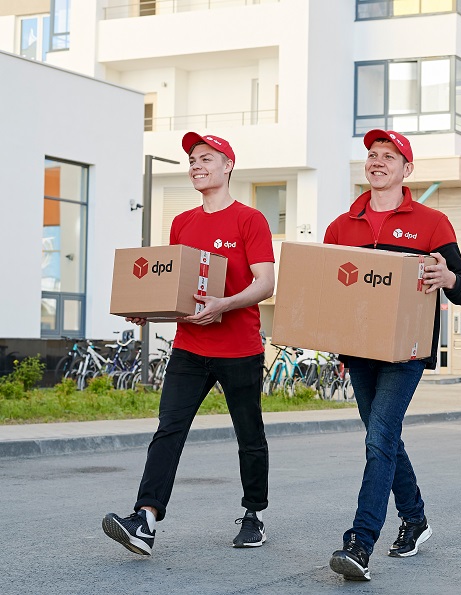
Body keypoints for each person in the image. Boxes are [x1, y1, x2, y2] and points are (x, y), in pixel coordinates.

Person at [102, 132, 275, 556]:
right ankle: (145, 520)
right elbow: (175, 286)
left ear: (227, 165)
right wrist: (148, 308)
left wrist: (225, 305)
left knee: (249, 435)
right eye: (193, 160)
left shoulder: (250, 219)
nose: (197, 165)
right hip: (190, 347)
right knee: (169, 429)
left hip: (239, 348)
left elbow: (266, 283)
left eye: (206, 158)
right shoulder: (182, 223)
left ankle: (253, 514)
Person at [324, 130, 461, 581]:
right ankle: (415, 517)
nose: (377, 161)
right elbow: (328, 290)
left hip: (407, 352)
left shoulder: (432, 223)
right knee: (384, 438)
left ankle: (360, 542)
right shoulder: (341, 226)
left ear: (406, 169)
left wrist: (447, 277)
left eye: (389, 156)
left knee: (379, 438)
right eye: (372, 155)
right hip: (359, 350)